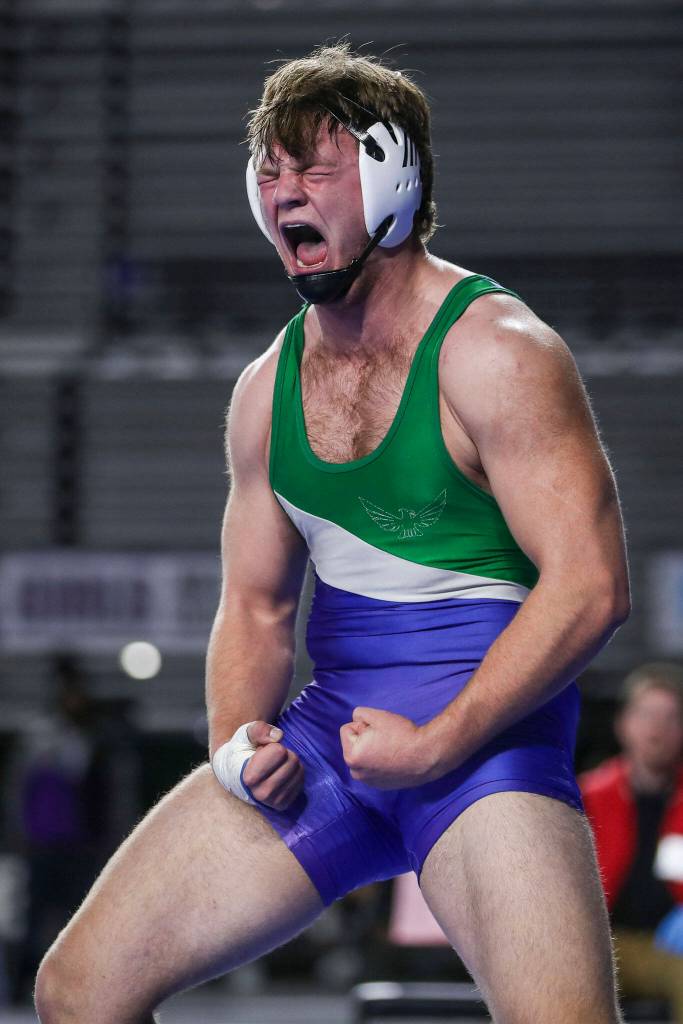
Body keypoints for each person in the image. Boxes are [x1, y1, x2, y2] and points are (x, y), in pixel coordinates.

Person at [35, 43, 631, 1024]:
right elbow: (259, 606)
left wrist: (437, 740)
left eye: (315, 167)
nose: (284, 192)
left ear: (395, 177)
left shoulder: (496, 352)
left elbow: (589, 585)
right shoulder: (264, 391)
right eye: (268, 171)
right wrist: (236, 745)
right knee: (78, 990)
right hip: (334, 741)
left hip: (486, 753)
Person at [579, 662, 683, 1021]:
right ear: (623, 724)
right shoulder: (588, 796)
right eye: (648, 714)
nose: (658, 727)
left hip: (667, 942)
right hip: (604, 942)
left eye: (671, 717)